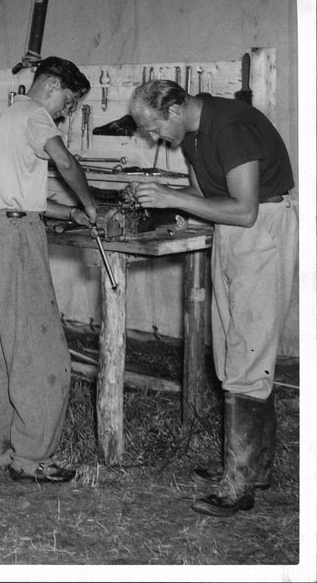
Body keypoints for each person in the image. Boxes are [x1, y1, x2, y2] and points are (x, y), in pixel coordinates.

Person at [129, 80, 297, 517]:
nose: (153, 137)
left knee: (247, 354)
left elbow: (244, 209)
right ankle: (252, 465)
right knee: (234, 353)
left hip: (260, 231)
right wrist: (169, 207)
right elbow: (209, 202)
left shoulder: (231, 127)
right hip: (233, 235)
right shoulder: (193, 136)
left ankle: (237, 487)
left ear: (176, 109)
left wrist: (169, 197)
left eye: (153, 127)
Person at [0, 56, 98, 483]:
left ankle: (4, 448)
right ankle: (32, 458)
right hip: (17, 243)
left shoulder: (12, 115)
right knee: (43, 355)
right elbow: (65, 163)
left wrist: (69, 212)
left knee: (8, 351)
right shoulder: (36, 115)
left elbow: (26, 195)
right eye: (68, 100)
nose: (67, 111)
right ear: (52, 85)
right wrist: (89, 205)